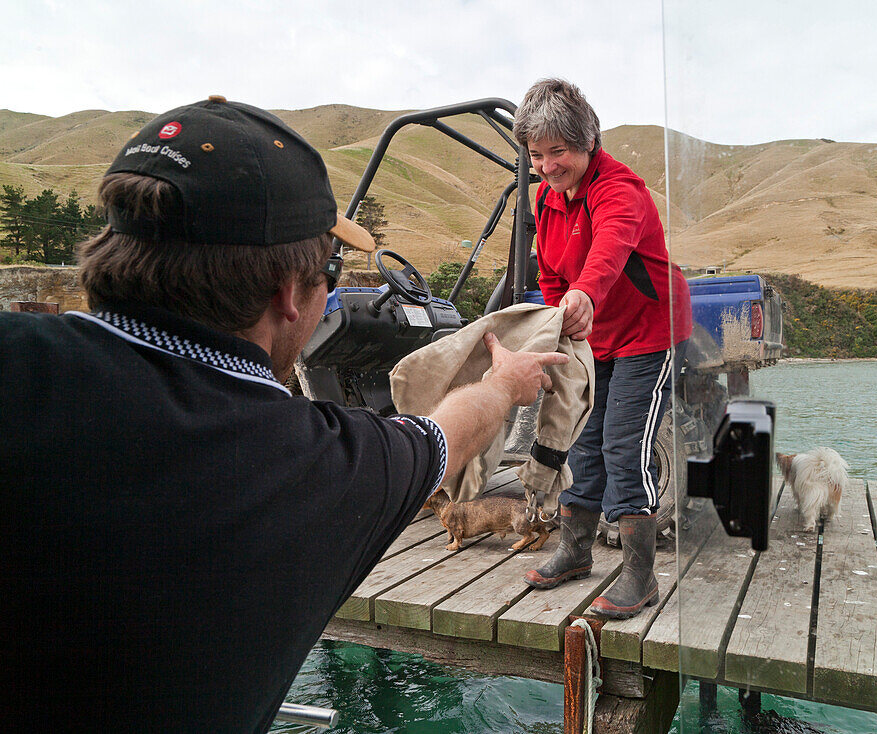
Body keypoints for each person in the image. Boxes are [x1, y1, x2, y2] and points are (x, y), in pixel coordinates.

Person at [0, 96, 568, 731]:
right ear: (288, 295)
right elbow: (445, 438)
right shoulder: (322, 466)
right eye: (330, 268)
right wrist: (504, 383)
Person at [514, 79, 693, 619]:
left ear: (588, 142)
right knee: (582, 438)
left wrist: (586, 294)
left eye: (558, 152)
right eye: (536, 154)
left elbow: (608, 252)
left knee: (623, 444)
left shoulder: (621, 191)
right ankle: (574, 550)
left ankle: (640, 574)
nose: (546, 165)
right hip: (593, 339)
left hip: (647, 333)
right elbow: (549, 271)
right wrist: (557, 332)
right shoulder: (546, 199)